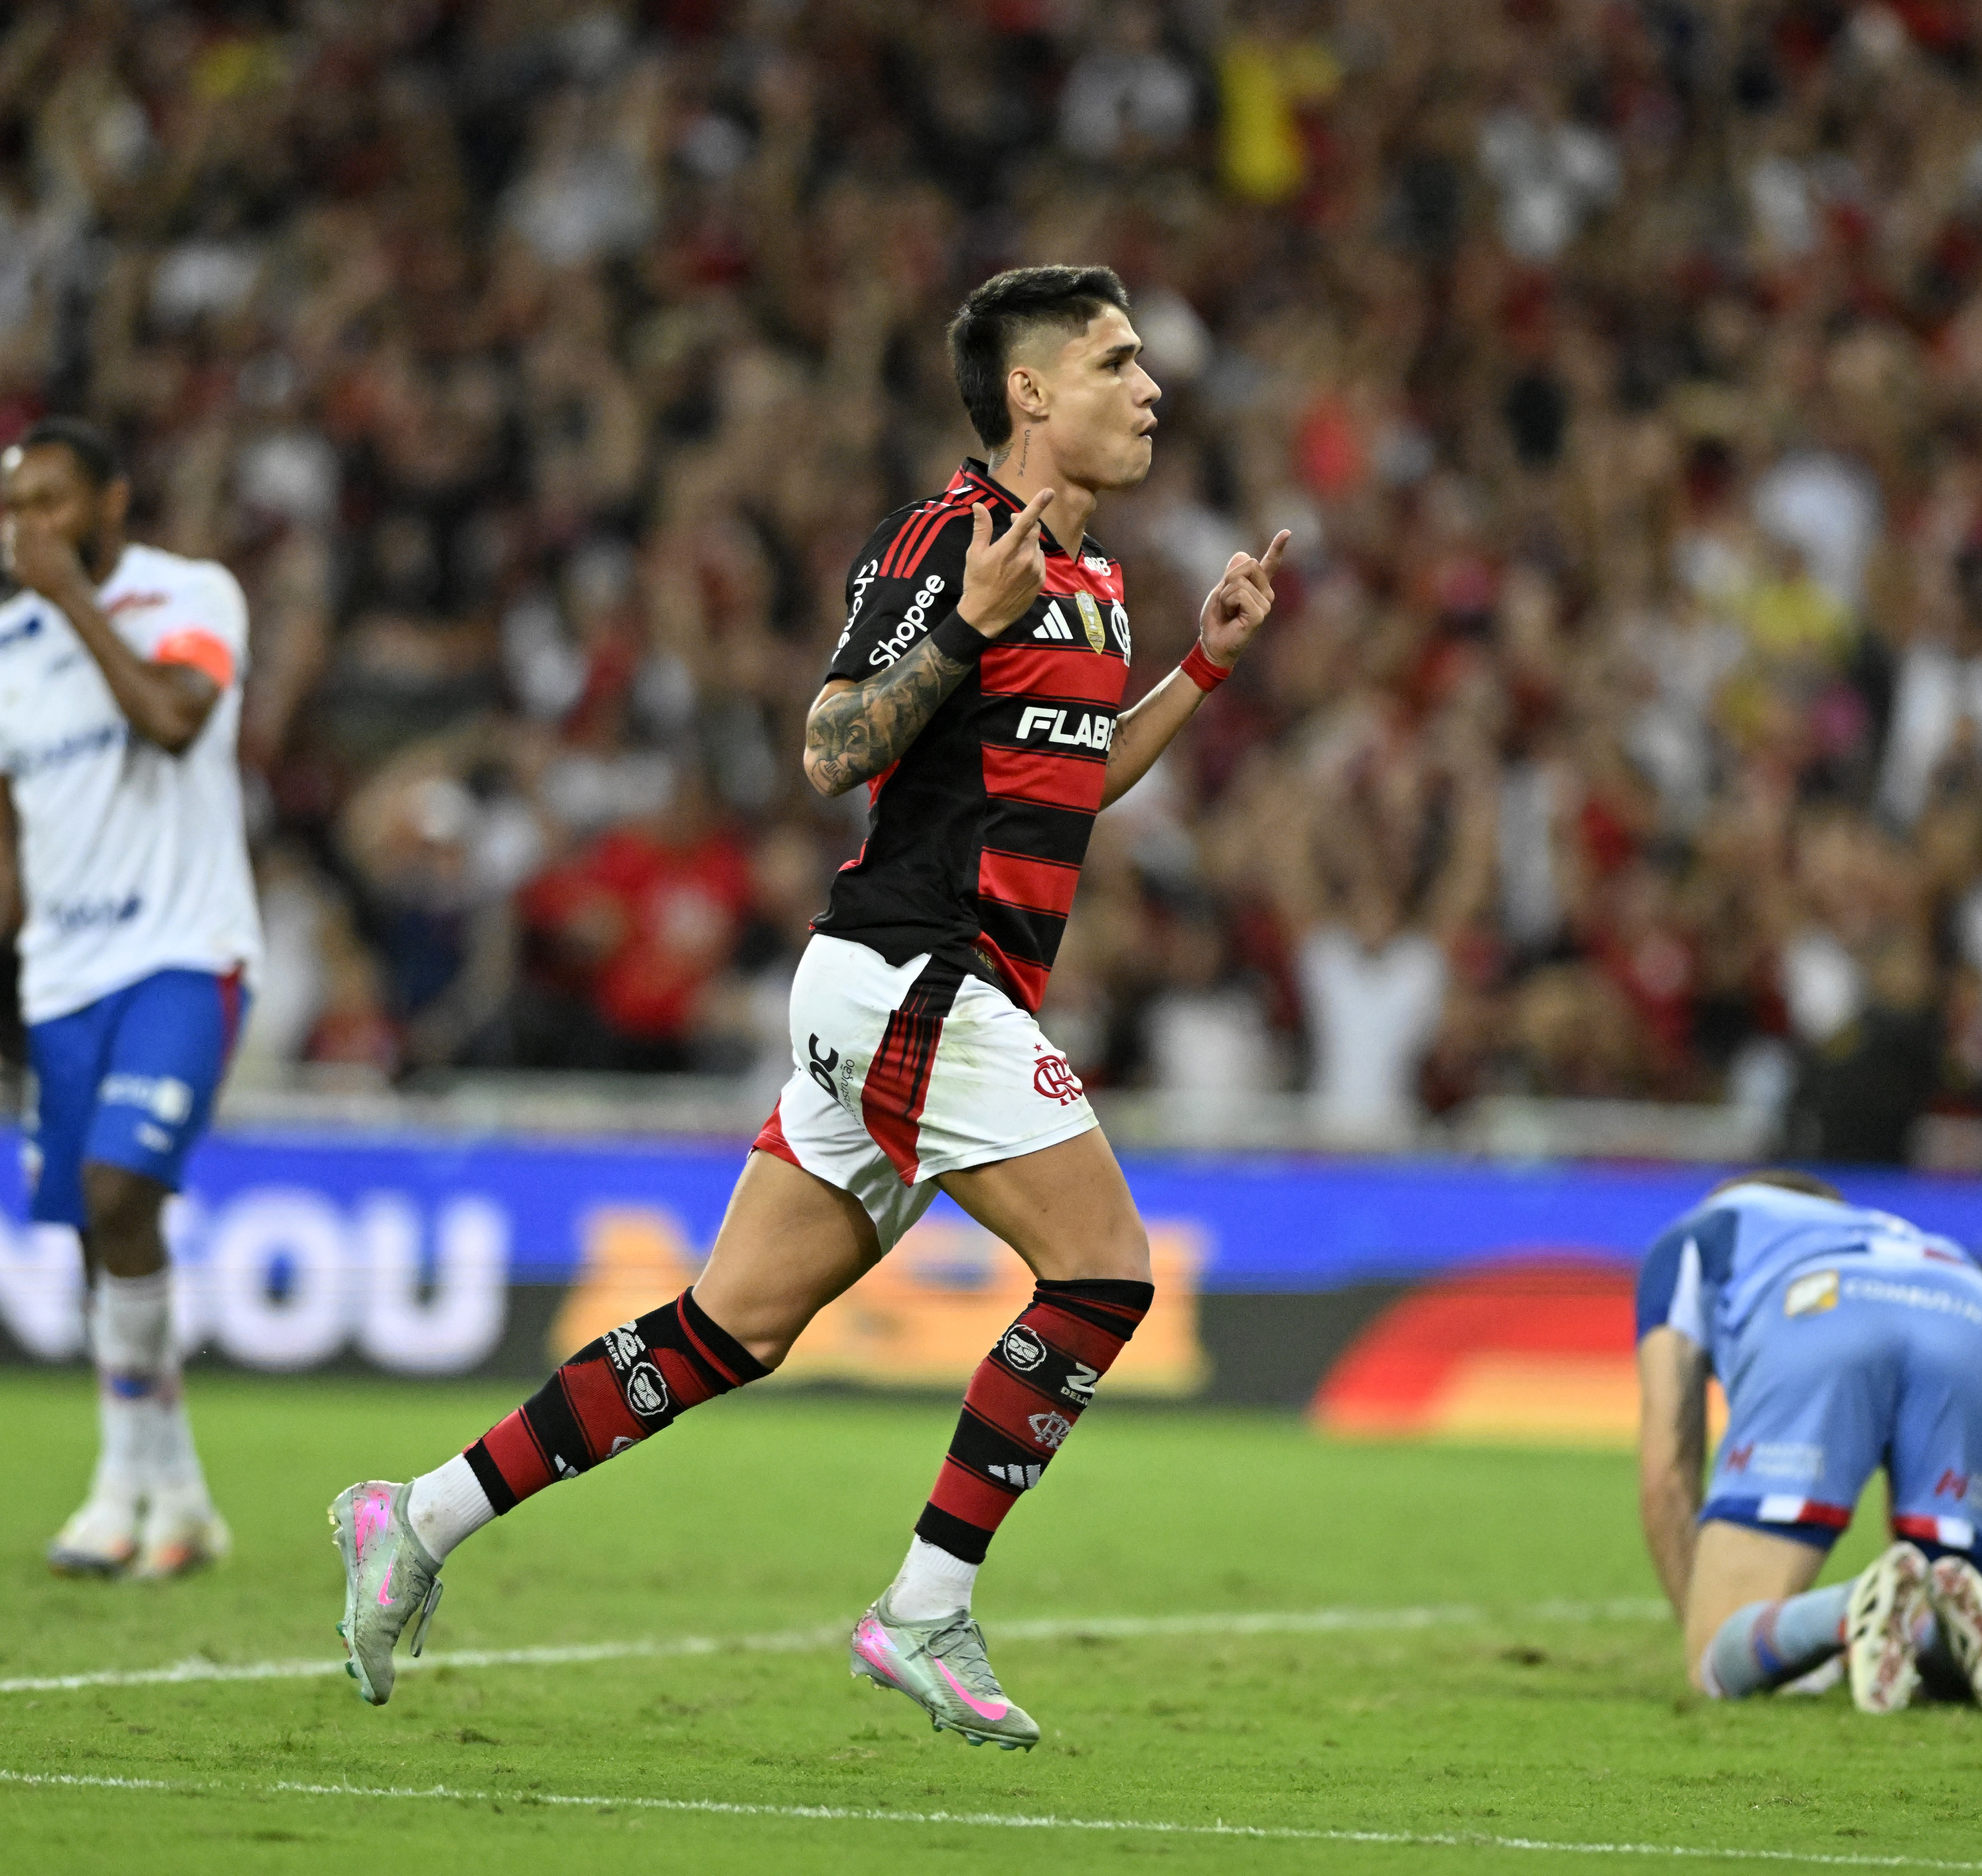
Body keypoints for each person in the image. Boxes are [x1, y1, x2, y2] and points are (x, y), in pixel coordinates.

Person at [327, 266, 1289, 1748]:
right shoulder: (946, 540)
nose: (1151, 389)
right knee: (1103, 1273)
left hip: (922, 992)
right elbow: (833, 746)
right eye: (1116, 362)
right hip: (916, 972)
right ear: (1031, 391)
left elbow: (1075, 781)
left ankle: (417, 1514)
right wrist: (960, 627)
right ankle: (925, 1603)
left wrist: (1205, 664)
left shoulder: (1095, 581)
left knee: (727, 1328)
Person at [0, 418, 263, 1579]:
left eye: (53, 502)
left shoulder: (192, 595)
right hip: (61, 974)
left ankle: (124, 1488)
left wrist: (72, 600)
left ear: (112, 503)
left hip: (184, 950)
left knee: (118, 1188)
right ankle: (171, 1497)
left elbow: (175, 721)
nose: (28, 527)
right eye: (15, 506)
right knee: (98, 1230)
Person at [1635, 1170, 1982, 1717]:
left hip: (1822, 1300)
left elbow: (1666, 1472)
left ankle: (1850, 1610)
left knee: (1716, 1656)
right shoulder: (1886, 1228)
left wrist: (1707, 1631)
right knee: (1953, 1624)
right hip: (1980, 1315)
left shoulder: (1703, 1229)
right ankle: (1928, 1628)